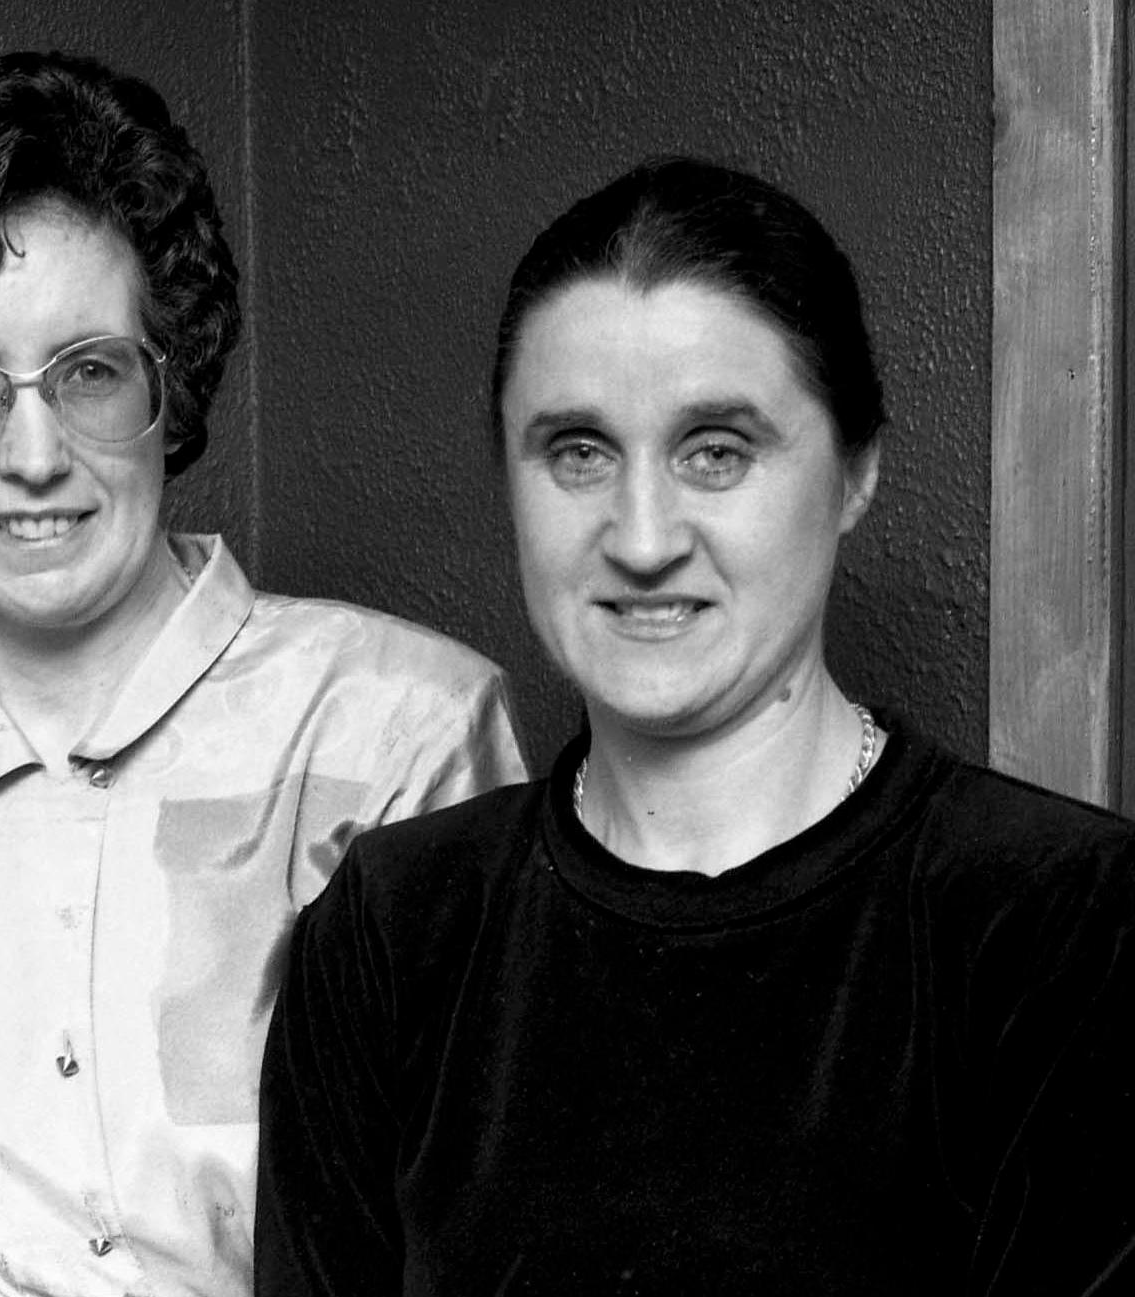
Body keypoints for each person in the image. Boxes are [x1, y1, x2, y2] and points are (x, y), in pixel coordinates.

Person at [255, 155, 1135, 1293]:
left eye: (715, 451)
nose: (641, 537)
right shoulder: (390, 931)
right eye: (578, 453)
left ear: (855, 470)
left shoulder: (1065, 924)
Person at [0, 50, 526, 1297]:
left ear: (171, 387)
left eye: (90, 373)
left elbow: (493, 1218)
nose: (32, 455)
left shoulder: (403, 729)